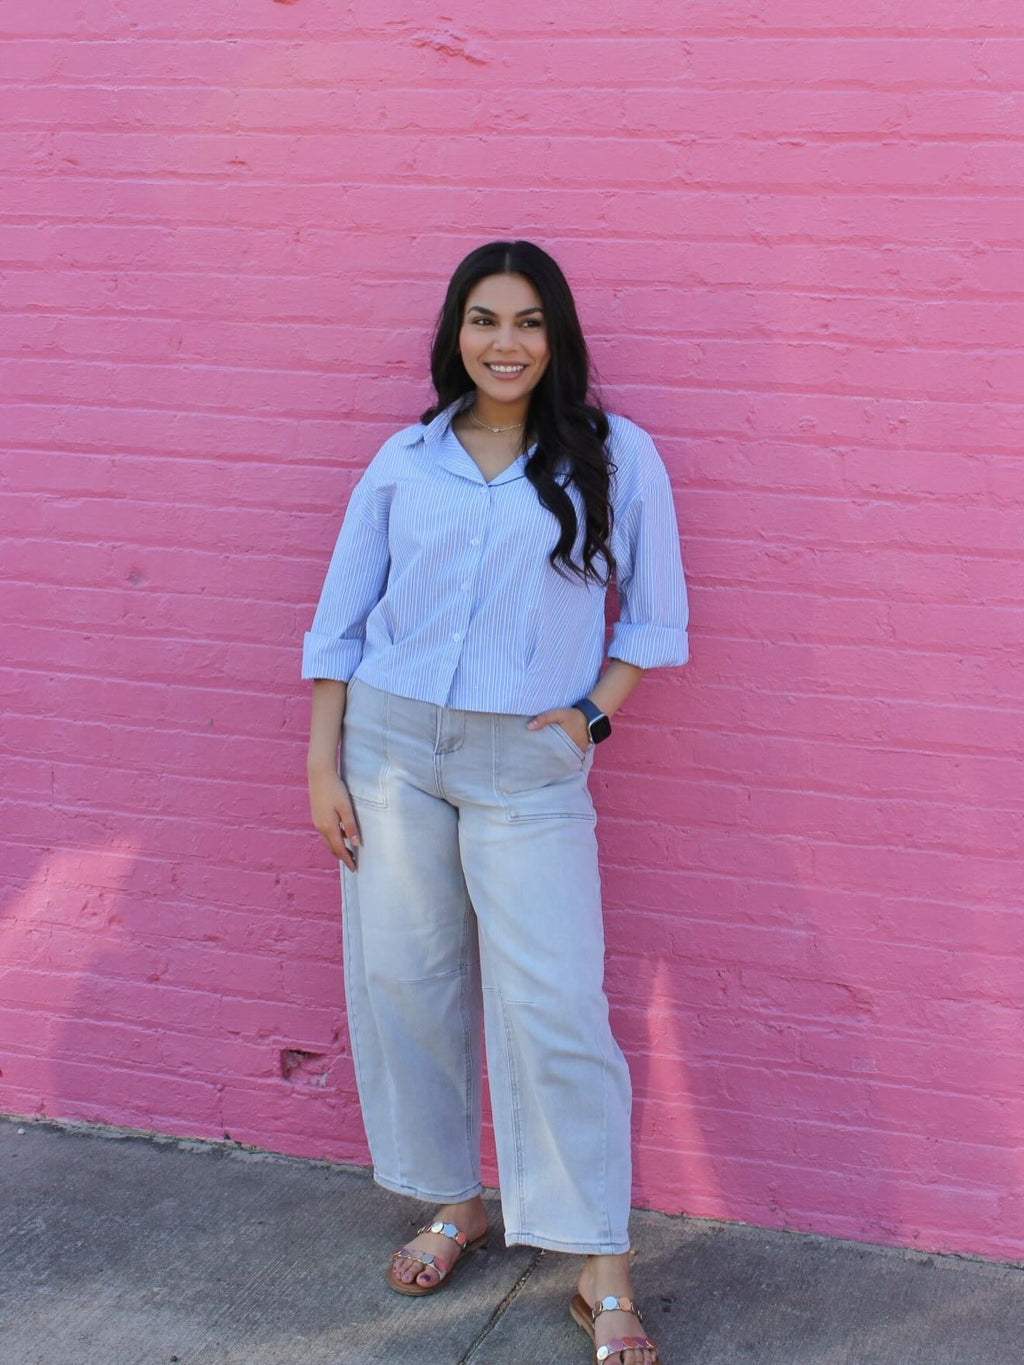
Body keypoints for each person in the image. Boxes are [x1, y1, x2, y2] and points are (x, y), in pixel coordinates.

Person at [303, 239, 689, 1365]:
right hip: (388, 747)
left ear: (556, 336)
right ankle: (450, 1198)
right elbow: (342, 618)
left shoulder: (614, 457)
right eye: (483, 319)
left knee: (555, 1005)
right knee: (403, 985)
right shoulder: (405, 459)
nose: (504, 343)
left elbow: (652, 619)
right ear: (454, 333)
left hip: (525, 764)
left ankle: (599, 1263)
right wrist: (321, 766)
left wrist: (590, 718)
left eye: (527, 321)